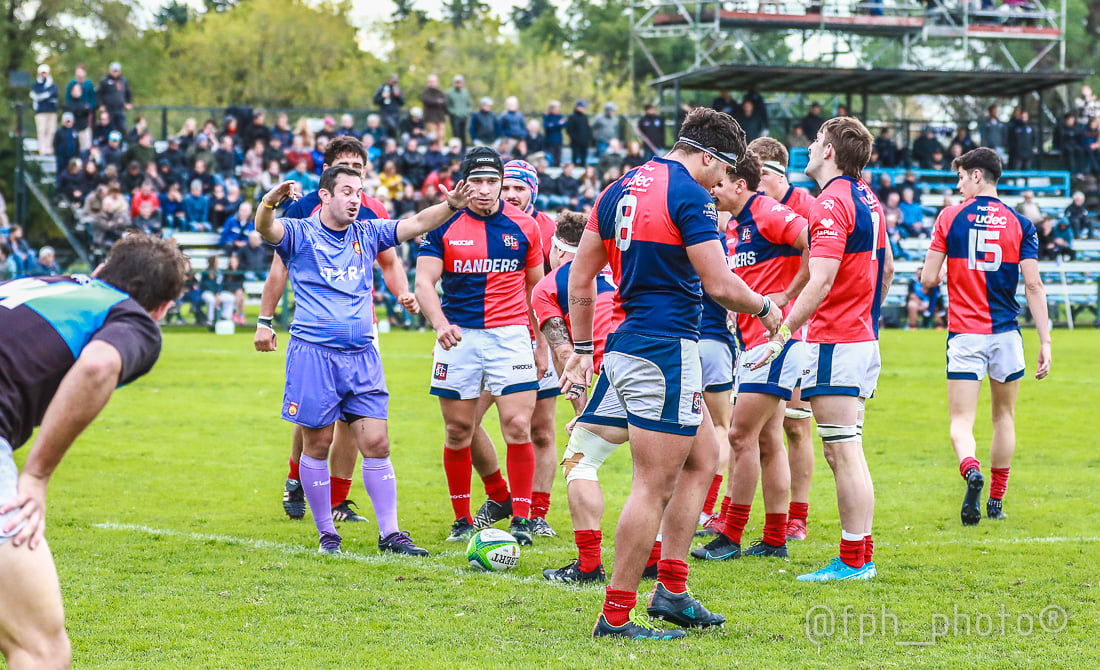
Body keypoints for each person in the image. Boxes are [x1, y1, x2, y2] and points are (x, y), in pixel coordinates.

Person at [559, 107, 778, 639]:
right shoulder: (689, 195)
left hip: (629, 342)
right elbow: (721, 285)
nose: (725, 183)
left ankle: (672, 590)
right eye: (723, 172)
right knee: (652, 486)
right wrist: (767, 309)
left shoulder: (617, 188)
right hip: (666, 348)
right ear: (707, 157)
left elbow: (581, 279)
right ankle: (614, 617)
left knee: (704, 456)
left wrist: (583, 347)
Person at [256, 165, 471, 555]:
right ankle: (327, 535)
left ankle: (391, 535)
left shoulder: (368, 232)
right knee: (317, 444)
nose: (355, 199)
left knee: (377, 442)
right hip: (313, 355)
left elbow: (416, 222)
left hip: (363, 355)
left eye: (358, 192)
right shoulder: (300, 232)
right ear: (325, 196)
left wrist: (450, 206)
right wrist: (269, 202)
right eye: (346, 192)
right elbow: (265, 229)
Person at [0, 234, 185, 669]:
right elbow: (99, 364)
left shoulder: (43, 283)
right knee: (40, 648)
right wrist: (37, 475)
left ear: (101, 270)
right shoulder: (131, 317)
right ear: (161, 309)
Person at [750, 115, 893, 582]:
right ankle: (860, 552)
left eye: (816, 140)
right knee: (842, 449)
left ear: (830, 151)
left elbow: (822, 276)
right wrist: (866, 317)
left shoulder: (830, 202)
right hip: (859, 335)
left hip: (837, 338)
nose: (810, 147)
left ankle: (855, 560)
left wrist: (783, 329)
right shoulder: (867, 197)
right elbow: (887, 270)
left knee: (843, 450)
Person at [254, 137, 418, 526]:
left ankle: (339, 501)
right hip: (317, 328)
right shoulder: (303, 208)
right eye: (345, 168)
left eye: (359, 170)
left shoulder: (369, 209)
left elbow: (390, 261)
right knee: (316, 421)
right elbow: (279, 266)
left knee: (357, 422)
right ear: (325, 176)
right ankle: (297, 477)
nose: (354, 180)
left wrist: (403, 293)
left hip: (361, 327)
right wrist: (265, 318)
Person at [414, 147, 547, 546]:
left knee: (518, 426)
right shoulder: (441, 223)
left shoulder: (526, 226)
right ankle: (461, 519)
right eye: (479, 182)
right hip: (460, 335)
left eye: (494, 182)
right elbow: (424, 283)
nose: (487, 191)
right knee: (458, 430)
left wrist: (541, 345)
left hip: (510, 336)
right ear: (464, 183)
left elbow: (536, 290)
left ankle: (520, 519)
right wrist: (439, 324)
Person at [919, 147, 1051, 525]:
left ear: (977, 176)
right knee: (1004, 417)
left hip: (965, 335)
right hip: (1006, 335)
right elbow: (1034, 284)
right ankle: (995, 502)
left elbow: (929, 279)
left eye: (961, 177)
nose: (959, 185)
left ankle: (970, 469)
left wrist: (936, 274)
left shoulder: (950, 217)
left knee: (961, 422)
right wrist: (1045, 341)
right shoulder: (1021, 224)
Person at [692, 149, 809, 563]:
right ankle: (775, 538)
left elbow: (814, 240)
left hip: (775, 342)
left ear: (741, 185)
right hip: (757, 342)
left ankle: (731, 534)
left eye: (719, 183)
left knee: (740, 436)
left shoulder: (766, 212)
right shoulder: (739, 224)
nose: (713, 190)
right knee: (767, 439)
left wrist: (788, 296)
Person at [65, 64, 96, 151]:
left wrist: (90, 107)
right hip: (74, 113)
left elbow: (92, 97)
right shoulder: (72, 83)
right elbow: (68, 98)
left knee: (87, 132)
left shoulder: (88, 84)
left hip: (85, 113)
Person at [31, 64, 59, 156]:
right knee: (41, 130)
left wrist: (43, 96)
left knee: (51, 130)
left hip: (52, 111)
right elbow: (37, 94)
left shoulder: (53, 84)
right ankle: (42, 149)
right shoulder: (36, 84)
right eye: (42, 73)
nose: (44, 75)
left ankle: (48, 148)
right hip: (41, 112)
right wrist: (45, 95)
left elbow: (54, 93)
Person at [95, 62, 131, 133]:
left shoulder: (123, 80)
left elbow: (128, 92)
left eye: (116, 71)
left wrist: (128, 103)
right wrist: (100, 105)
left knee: (121, 128)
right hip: (109, 109)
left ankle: (121, 143)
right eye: (113, 70)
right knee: (109, 128)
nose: (115, 72)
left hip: (120, 109)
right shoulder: (105, 80)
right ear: (110, 70)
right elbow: (98, 93)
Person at [374, 74, 404, 139]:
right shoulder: (382, 88)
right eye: (393, 81)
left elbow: (402, 102)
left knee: (394, 132)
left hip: (395, 114)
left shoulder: (397, 89)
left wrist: (398, 96)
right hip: (385, 114)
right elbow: (375, 101)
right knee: (387, 130)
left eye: (395, 82)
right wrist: (382, 97)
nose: (394, 83)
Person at [445, 75, 472, 147]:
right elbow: (447, 106)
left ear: (462, 83)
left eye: (460, 82)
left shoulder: (465, 92)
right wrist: (454, 112)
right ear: (454, 83)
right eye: (457, 82)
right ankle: (455, 152)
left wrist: (467, 112)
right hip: (455, 118)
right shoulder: (450, 93)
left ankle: (463, 152)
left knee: (463, 135)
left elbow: (469, 104)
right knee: (456, 135)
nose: (458, 84)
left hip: (464, 117)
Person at [421, 74, 448, 142]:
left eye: (434, 81)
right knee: (433, 137)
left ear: (437, 82)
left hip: (440, 118)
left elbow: (444, 102)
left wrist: (435, 101)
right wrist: (437, 101)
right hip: (430, 118)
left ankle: (440, 151)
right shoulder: (426, 92)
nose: (432, 83)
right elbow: (427, 100)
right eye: (430, 81)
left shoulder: (440, 91)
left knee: (441, 136)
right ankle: (433, 151)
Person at [565, 101, 592, 168]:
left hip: (584, 142)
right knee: (575, 157)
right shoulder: (572, 117)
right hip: (575, 142)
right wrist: (575, 138)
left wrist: (588, 138)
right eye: (582, 107)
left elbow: (588, 129)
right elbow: (569, 130)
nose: (584, 109)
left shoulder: (585, 117)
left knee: (583, 158)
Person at [542, 101, 566, 167]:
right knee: (551, 158)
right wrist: (557, 124)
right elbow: (547, 127)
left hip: (558, 140)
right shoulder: (547, 117)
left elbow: (563, 125)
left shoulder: (560, 116)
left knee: (558, 157)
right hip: (550, 141)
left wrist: (554, 125)